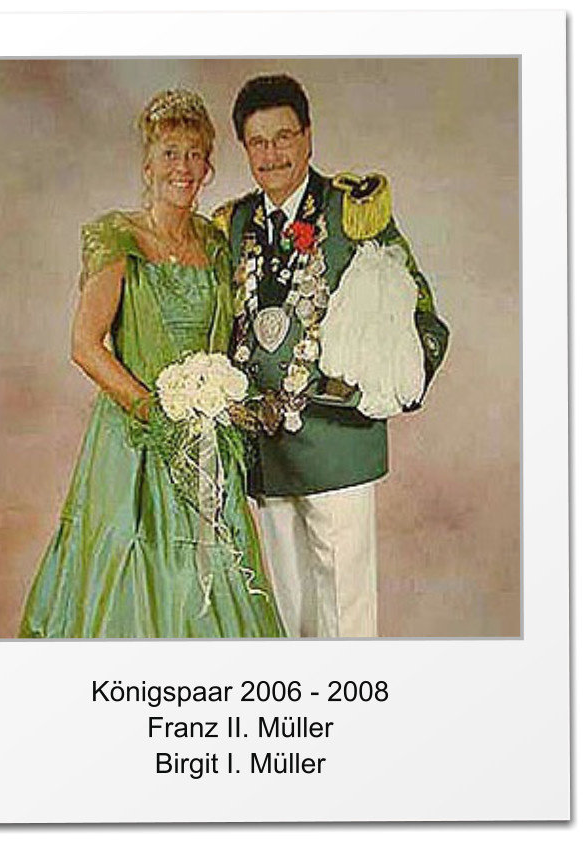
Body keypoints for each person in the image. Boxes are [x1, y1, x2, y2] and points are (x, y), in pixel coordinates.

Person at [19, 89, 285, 638]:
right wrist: (154, 412)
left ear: (208, 168)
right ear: (148, 165)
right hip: (134, 445)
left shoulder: (216, 243)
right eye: (170, 154)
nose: (182, 167)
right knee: (136, 575)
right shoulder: (119, 238)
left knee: (214, 582)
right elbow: (85, 344)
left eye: (194, 155)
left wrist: (221, 404)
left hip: (208, 442)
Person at [213, 74, 449, 638]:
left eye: (283, 137)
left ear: (308, 136)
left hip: (337, 438)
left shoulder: (352, 209)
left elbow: (414, 304)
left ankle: (348, 699)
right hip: (266, 448)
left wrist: (394, 380)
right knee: (288, 612)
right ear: (244, 148)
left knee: (345, 613)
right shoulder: (234, 223)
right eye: (257, 142)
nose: (272, 154)